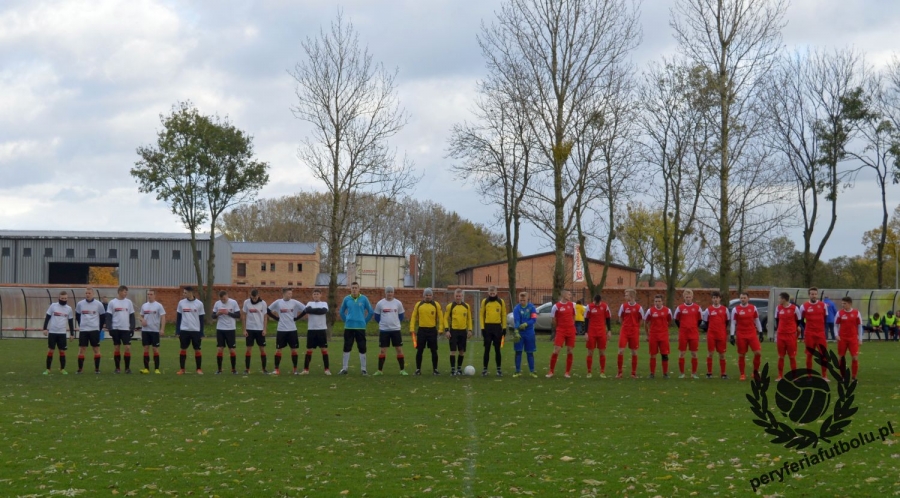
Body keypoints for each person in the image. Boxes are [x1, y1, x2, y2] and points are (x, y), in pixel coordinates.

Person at [267, 287, 306, 375]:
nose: (290, 295)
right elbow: (267, 310)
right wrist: (276, 318)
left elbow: (305, 309)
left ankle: (295, 369)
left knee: (294, 349)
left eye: (291, 293)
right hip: (281, 329)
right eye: (289, 293)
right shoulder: (278, 302)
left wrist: (297, 318)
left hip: (292, 329)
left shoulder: (295, 302)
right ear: (284, 294)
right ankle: (276, 369)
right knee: (278, 349)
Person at [338, 282, 374, 375]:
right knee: (347, 347)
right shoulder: (346, 299)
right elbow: (341, 311)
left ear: (359, 289)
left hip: (360, 327)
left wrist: (364, 321)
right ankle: (344, 368)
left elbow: (370, 311)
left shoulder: (364, 298)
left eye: (356, 288)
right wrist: (347, 320)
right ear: (350, 289)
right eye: (352, 288)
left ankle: (363, 369)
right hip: (349, 327)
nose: (354, 289)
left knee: (362, 347)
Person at [373, 286, 407, 376]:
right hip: (384, 330)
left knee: (399, 349)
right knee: (383, 350)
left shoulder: (398, 303)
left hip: (395, 330)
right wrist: (383, 323)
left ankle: (402, 370)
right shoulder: (380, 303)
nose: (389, 294)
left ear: (393, 293)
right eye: (388, 292)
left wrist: (395, 323)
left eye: (391, 292)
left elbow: (401, 316)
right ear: (385, 293)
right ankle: (379, 370)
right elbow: (376, 316)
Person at [731, 292, 763, 381]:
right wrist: (732, 335)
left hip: (752, 333)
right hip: (741, 334)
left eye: (744, 298)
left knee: (758, 353)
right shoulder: (735, 309)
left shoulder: (753, 308)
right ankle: (742, 374)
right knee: (742, 354)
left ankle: (755, 372)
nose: (743, 299)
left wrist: (760, 332)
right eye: (741, 298)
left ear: (748, 299)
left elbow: (757, 320)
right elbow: (733, 323)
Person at [410, 288, 443, 375]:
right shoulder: (418, 305)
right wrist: (412, 328)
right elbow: (413, 316)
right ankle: (418, 369)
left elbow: (441, 317)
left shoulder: (436, 305)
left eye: (429, 295)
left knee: (434, 350)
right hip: (422, 331)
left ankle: (435, 369)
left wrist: (441, 329)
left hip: (432, 330)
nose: (428, 297)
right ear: (423, 296)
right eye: (426, 295)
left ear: (432, 296)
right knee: (419, 350)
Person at [799, 287, 829, 381]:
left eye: (815, 294)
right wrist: (807, 328)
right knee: (809, 354)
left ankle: (824, 376)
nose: (814, 295)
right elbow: (800, 320)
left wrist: (823, 330)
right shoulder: (804, 306)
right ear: (809, 295)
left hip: (820, 333)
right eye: (812, 294)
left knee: (823, 354)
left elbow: (825, 318)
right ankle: (809, 376)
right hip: (809, 334)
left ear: (817, 295)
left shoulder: (823, 305)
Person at [42, 291, 75, 375]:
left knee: (62, 351)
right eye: (62, 298)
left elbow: (71, 321)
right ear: (59, 298)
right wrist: (45, 328)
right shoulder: (53, 306)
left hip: (62, 333)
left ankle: (62, 369)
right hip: (52, 332)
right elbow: (47, 317)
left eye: (65, 298)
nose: (64, 300)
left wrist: (72, 334)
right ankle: (48, 369)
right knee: (50, 351)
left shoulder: (69, 308)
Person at [547, 289, 577, 378]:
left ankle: (567, 372)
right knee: (557, 349)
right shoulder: (556, 306)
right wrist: (559, 327)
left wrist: (571, 325)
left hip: (571, 330)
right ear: (564, 295)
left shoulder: (572, 305)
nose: (570, 296)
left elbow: (574, 316)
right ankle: (551, 371)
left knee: (570, 350)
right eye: (569, 294)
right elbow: (553, 320)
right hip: (561, 330)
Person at [74, 287, 105, 374]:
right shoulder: (80, 304)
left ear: (93, 294)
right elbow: (77, 315)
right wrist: (82, 324)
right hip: (84, 330)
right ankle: (80, 369)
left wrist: (99, 328)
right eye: (86, 293)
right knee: (82, 349)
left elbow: (103, 317)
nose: (87, 295)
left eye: (89, 293)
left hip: (94, 330)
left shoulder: (99, 304)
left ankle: (97, 369)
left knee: (96, 348)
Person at [175, 286, 206, 374]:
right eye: (183, 292)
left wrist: (201, 332)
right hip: (184, 330)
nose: (184, 294)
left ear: (191, 293)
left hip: (195, 330)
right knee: (183, 349)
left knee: (197, 349)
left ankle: (198, 369)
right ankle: (182, 369)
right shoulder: (181, 303)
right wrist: (177, 331)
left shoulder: (199, 304)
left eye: (185, 293)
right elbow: (179, 317)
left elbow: (201, 319)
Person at [106, 285, 136, 374]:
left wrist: (132, 327)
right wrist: (110, 328)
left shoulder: (129, 302)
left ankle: (127, 368)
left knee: (127, 347)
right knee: (117, 347)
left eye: (126, 292)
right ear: (119, 292)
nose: (125, 293)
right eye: (124, 292)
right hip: (115, 328)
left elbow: (132, 315)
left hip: (125, 329)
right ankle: (117, 368)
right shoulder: (112, 302)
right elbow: (108, 316)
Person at [301, 289, 331, 375]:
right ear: (312, 295)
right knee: (309, 349)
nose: (316, 295)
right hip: (311, 329)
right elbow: (307, 310)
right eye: (314, 294)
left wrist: (313, 311)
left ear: (320, 295)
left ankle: (327, 369)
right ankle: (306, 369)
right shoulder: (309, 303)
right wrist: (317, 311)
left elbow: (323, 311)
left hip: (321, 329)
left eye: (317, 294)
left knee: (324, 349)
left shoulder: (324, 304)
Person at [773, 292, 801, 381]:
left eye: (779, 298)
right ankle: (780, 375)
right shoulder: (778, 308)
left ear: (784, 299)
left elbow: (799, 320)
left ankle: (794, 376)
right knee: (781, 356)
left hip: (791, 335)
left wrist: (795, 328)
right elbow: (777, 320)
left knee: (792, 356)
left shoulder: (794, 308)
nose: (778, 300)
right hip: (781, 335)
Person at [674, 290, 702, 379]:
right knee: (682, 353)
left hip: (693, 333)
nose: (688, 298)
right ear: (684, 297)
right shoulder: (680, 308)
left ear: (692, 297)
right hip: (683, 334)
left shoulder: (697, 308)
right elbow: (676, 320)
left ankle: (694, 373)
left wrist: (693, 327)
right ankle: (682, 373)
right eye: (686, 297)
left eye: (689, 297)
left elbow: (700, 320)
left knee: (694, 353)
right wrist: (683, 327)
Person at [616, 289, 644, 379]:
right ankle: (619, 372)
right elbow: (620, 318)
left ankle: (633, 373)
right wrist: (625, 325)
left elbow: (641, 320)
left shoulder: (639, 308)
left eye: (626, 295)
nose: (625, 296)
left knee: (634, 352)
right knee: (620, 351)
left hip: (634, 331)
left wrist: (635, 327)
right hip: (624, 331)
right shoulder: (623, 306)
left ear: (631, 296)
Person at [444, 289, 473, 376]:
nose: (458, 297)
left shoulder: (466, 306)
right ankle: (453, 370)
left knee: (461, 351)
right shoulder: (450, 306)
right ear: (454, 296)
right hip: (453, 331)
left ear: (462, 296)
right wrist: (447, 330)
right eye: (456, 296)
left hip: (463, 331)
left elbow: (469, 319)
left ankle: (459, 369)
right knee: (453, 351)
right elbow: (445, 318)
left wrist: (470, 330)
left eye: (459, 296)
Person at [480, 286, 507, 377]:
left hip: (497, 328)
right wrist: (482, 328)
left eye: (493, 293)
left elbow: (503, 315)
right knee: (487, 349)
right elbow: (481, 315)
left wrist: (504, 328)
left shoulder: (500, 302)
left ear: (496, 292)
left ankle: (499, 370)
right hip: (488, 327)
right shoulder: (485, 301)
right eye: (490, 293)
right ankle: (485, 369)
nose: (492, 295)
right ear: (488, 293)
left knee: (497, 349)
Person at [212, 290, 241, 375]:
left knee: (232, 349)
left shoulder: (233, 302)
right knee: (220, 349)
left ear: (227, 296)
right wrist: (217, 314)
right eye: (221, 299)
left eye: (224, 299)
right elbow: (213, 316)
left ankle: (233, 369)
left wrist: (228, 313)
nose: (223, 300)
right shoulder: (217, 304)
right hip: (220, 329)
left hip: (230, 329)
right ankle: (219, 369)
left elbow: (238, 315)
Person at [702, 291, 730, 379]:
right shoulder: (708, 310)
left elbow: (727, 321)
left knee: (722, 354)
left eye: (717, 298)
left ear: (720, 298)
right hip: (711, 334)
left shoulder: (725, 309)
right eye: (714, 298)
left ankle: (723, 373)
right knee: (710, 353)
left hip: (721, 334)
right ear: (712, 299)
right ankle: (709, 373)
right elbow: (706, 321)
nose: (715, 300)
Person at [241, 289, 269, 374]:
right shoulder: (246, 302)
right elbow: (244, 316)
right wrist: (244, 329)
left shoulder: (263, 303)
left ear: (258, 296)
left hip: (260, 329)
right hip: (250, 329)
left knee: (262, 349)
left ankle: (264, 369)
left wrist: (264, 329)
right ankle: (247, 369)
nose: (254, 299)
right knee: (249, 349)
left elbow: (265, 317)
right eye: (252, 298)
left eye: (255, 297)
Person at [644, 295, 672, 379]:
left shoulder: (668, 310)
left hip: (663, 335)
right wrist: (647, 334)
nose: (657, 303)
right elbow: (646, 322)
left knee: (664, 354)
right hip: (653, 335)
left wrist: (665, 331)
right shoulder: (650, 310)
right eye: (656, 301)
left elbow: (669, 321)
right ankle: (652, 373)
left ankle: (665, 373)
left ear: (662, 302)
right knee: (653, 354)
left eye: (659, 301)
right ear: (654, 302)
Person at [139, 289, 166, 374]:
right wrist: (142, 320)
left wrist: (162, 329)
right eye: (148, 294)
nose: (149, 296)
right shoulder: (144, 306)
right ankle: (146, 368)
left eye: (151, 294)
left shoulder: (158, 306)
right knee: (146, 348)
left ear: (154, 295)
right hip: (145, 331)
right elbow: (140, 316)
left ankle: (156, 368)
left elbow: (163, 317)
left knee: (155, 349)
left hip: (154, 330)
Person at [584, 293, 611, 378]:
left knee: (602, 352)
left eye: (598, 303)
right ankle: (589, 372)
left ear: (600, 301)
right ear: (594, 301)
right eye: (596, 303)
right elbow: (586, 320)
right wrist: (586, 332)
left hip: (601, 332)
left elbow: (608, 319)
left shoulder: (605, 307)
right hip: (591, 332)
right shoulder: (589, 307)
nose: (597, 304)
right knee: (590, 352)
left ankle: (602, 372)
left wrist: (609, 330)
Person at [512, 291, 538, 378]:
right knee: (518, 352)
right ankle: (517, 371)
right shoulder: (516, 308)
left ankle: (532, 371)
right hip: (520, 333)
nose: (522, 301)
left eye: (523, 300)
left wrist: (526, 324)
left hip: (529, 333)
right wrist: (516, 330)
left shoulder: (532, 307)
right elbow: (517, 320)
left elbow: (534, 319)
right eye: (520, 300)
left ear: (527, 299)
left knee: (530, 352)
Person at [835, 297, 862, 380]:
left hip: (853, 338)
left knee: (854, 357)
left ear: (850, 304)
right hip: (842, 338)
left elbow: (860, 326)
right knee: (841, 357)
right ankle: (842, 375)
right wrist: (836, 334)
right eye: (842, 303)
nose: (843, 305)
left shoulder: (856, 313)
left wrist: (860, 338)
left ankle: (854, 377)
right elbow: (835, 325)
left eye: (844, 303)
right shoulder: (839, 313)